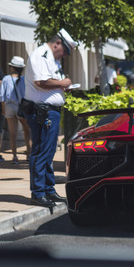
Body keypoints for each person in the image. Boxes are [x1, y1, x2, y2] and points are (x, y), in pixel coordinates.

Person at [22, 29, 76, 207]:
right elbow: (41, 82)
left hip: (49, 110)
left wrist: (62, 86)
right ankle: (38, 192)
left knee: (49, 151)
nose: (65, 56)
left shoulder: (52, 59)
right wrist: (62, 83)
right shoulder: (41, 55)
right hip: (42, 111)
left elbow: (50, 82)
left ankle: (48, 190)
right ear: (57, 44)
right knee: (41, 151)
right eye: (66, 51)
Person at [0, 56, 31, 164]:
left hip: (9, 106)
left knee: (13, 133)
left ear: (12, 67)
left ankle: (15, 156)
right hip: (22, 107)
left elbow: (1, 95)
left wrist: (3, 108)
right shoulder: (24, 79)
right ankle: (29, 154)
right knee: (27, 130)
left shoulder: (6, 79)